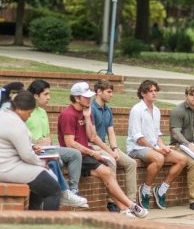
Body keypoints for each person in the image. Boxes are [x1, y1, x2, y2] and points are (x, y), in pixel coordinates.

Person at [57, 82, 148, 219]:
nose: (89, 99)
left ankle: (125, 207)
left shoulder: (87, 112)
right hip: (75, 156)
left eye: (89, 97)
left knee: (107, 174)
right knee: (107, 173)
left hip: (85, 154)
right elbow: (70, 143)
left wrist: (87, 118)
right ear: (76, 98)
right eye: (86, 97)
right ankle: (129, 205)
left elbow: (92, 136)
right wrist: (93, 153)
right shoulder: (68, 114)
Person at [0, 90, 61, 211]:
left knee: (40, 183)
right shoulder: (15, 123)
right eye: (29, 113)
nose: (29, 116)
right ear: (20, 110)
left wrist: (31, 146)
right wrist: (42, 164)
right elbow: (27, 156)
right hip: (5, 168)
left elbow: (16, 144)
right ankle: (47, 224)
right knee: (53, 189)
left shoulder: (3, 114)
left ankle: (33, 216)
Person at [26, 79, 87, 209]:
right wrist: (37, 143)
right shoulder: (26, 112)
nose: (49, 97)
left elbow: (48, 136)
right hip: (34, 150)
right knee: (53, 161)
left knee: (75, 154)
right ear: (36, 96)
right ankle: (64, 193)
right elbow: (21, 138)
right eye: (46, 94)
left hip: (46, 148)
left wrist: (49, 146)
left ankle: (73, 190)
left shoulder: (42, 112)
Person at [126, 80, 187, 210]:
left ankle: (161, 190)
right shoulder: (137, 110)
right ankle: (145, 190)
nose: (154, 93)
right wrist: (156, 149)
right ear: (143, 93)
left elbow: (157, 135)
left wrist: (162, 146)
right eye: (151, 91)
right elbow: (138, 138)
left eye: (155, 91)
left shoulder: (157, 110)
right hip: (137, 148)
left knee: (182, 159)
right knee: (159, 158)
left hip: (153, 147)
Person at [90, 79, 138, 213]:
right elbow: (93, 137)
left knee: (131, 163)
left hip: (105, 145)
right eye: (109, 92)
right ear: (99, 92)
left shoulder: (107, 110)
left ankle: (131, 202)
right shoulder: (91, 109)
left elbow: (110, 131)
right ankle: (112, 202)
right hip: (93, 145)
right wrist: (110, 152)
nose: (111, 95)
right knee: (112, 162)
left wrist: (115, 148)